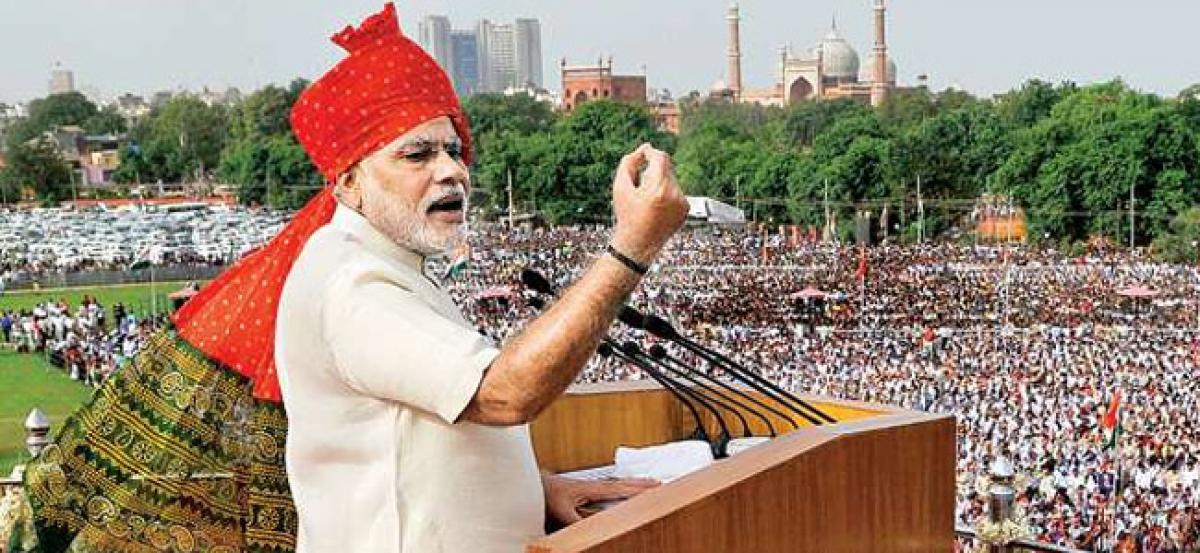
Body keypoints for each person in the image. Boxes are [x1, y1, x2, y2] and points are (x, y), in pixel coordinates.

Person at [272, 5, 686, 551]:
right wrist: (632, 247)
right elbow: (504, 394)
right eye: (417, 155)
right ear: (349, 182)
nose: (450, 170)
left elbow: (417, 438)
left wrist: (535, 489)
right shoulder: (353, 286)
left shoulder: (392, 261)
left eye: (454, 150)